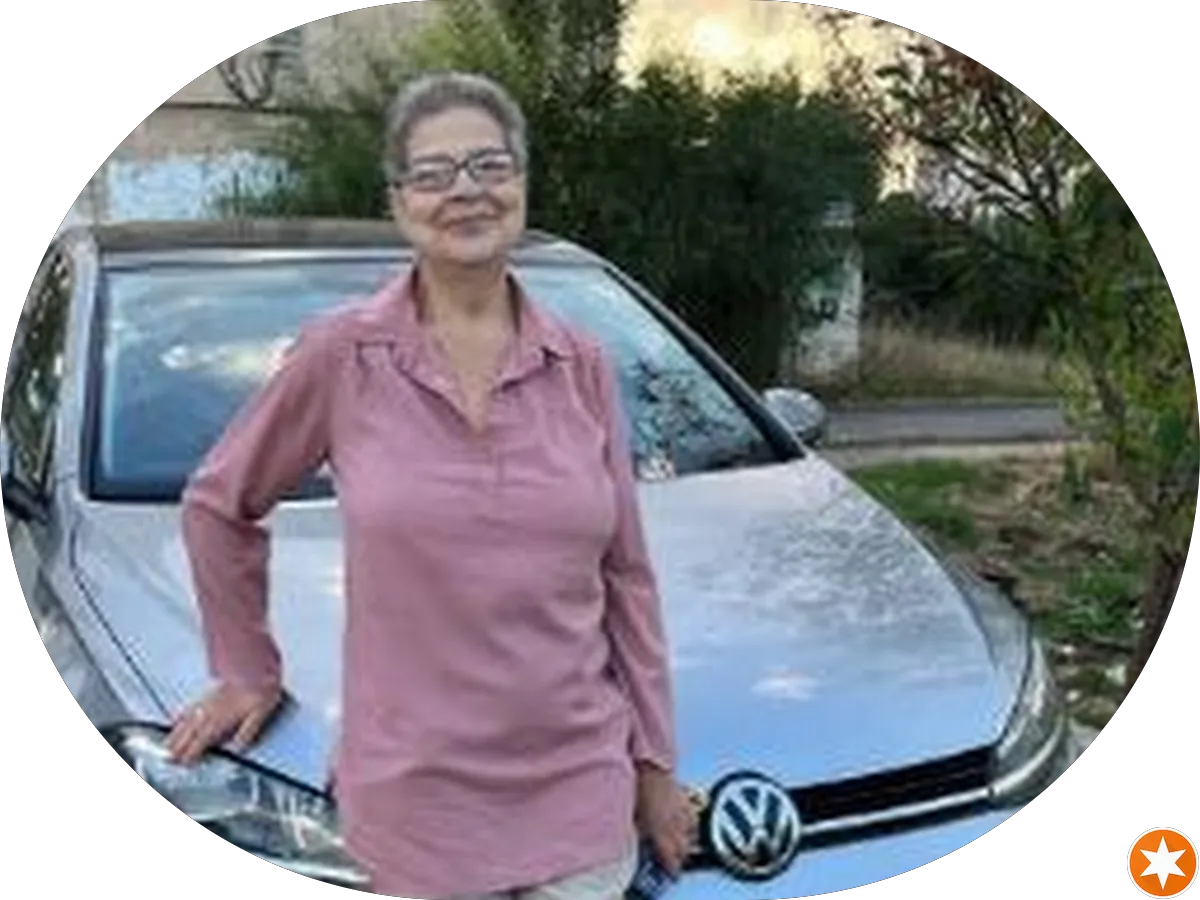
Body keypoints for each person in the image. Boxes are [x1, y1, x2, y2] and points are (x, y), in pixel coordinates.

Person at [164, 70, 697, 900]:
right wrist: (247, 670)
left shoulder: (581, 362)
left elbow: (626, 576)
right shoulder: (343, 354)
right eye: (433, 172)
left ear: (521, 182)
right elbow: (217, 505)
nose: (466, 190)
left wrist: (654, 764)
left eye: (489, 164)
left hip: (580, 810)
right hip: (414, 816)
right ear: (399, 201)